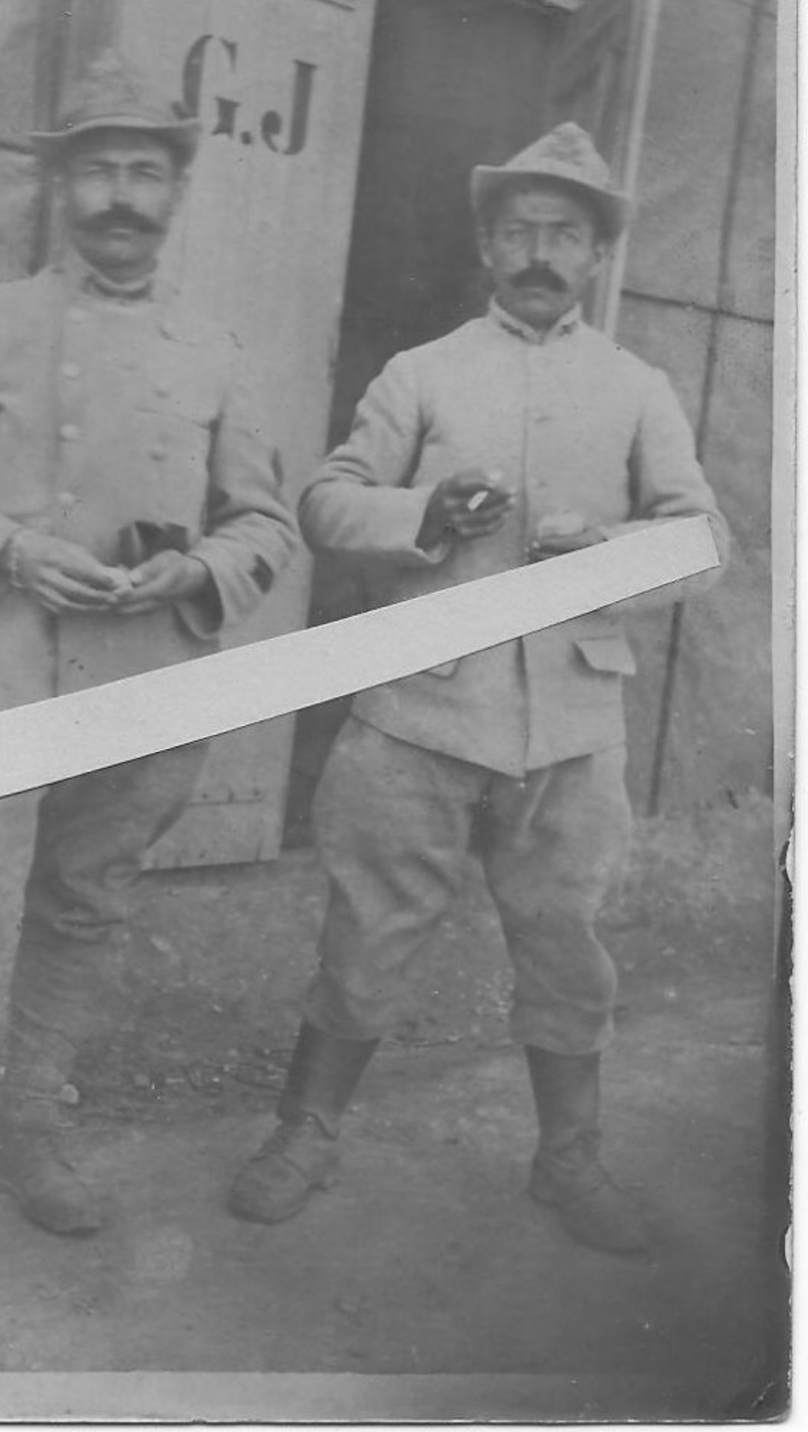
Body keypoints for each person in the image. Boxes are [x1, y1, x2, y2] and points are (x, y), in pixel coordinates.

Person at [230, 122, 728, 1256]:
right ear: (487, 247)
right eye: (519, 232)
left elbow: (705, 542)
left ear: (597, 255)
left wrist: (601, 546)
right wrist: (422, 515)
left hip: (569, 725)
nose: (540, 252)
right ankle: (304, 1132)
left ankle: (570, 1158)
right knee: (366, 929)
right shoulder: (424, 372)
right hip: (418, 714)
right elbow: (326, 500)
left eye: (564, 233)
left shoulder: (638, 389)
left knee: (566, 944)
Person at [0, 51, 298, 1292]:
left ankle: (31, 1144)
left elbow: (266, 524)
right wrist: (14, 550)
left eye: (145, 170)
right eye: (97, 166)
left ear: (176, 191)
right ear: (62, 186)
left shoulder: (214, 347)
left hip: (147, 689)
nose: (119, 193)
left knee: (83, 920)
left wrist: (196, 573)